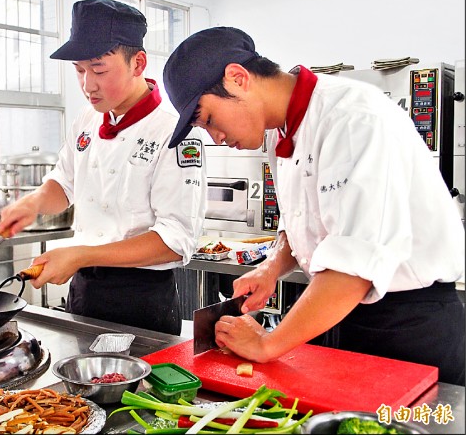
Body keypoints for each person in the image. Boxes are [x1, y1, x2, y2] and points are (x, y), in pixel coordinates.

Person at [162, 26, 465, 385]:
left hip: (409, 327)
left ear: (238, 78)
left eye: (209, 119)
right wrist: (272, 268)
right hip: (336, 313)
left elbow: (353, 269)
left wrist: (267, 344)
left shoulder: (353, 118)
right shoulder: (279, 131)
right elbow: (303, 220)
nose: (218, 138)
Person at [0, 0, 207, 335]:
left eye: (99, 70)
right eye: (79, 70)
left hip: (142, 298)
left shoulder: (174, 133)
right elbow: (64, 184)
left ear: (138, 63)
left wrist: (80, 255)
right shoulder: (87, 120)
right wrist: (33, 203)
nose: (87, 84)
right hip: (85, 291)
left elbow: (174, 241)